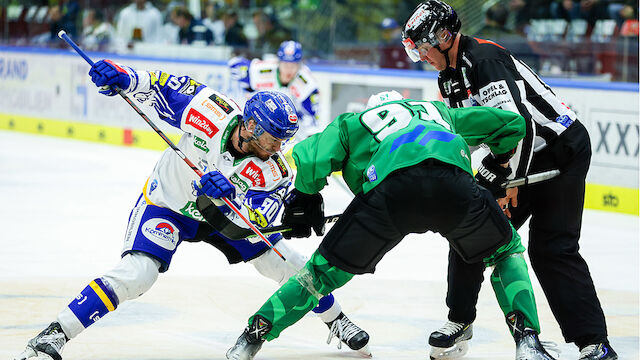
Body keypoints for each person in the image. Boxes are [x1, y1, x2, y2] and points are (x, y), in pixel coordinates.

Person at [13, 60, 369, 360]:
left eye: (283, 140)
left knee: (288, 264)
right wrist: (123, 77)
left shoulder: (274, 167)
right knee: (138, 274)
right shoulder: (208, 110)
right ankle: (55, 335)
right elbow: (158, 86)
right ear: (250, 126)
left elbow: (260, 219)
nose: (278, 146)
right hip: (169, 204)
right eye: (272, 138)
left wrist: (233, 198)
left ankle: (335, 318)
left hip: (224, 218)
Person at [225, 91, 558, 360]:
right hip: (453, 185)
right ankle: (527, 342)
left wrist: (306, 197)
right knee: (505, 251)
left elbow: (312, 156)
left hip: (390, 196)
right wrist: (499, 164)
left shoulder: (356, 122)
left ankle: (250, 340)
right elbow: (512, 124)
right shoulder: (440, 112)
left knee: (318, 276)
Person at [400, 1, 617, 359]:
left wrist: (508, 182)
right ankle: (460, 320)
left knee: (552, 250)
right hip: (516, 154)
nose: (422, 56)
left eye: (423, 47)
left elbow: (521, 128)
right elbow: (470, 136)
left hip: (559, 149)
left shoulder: (484, 61)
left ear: (443, 37)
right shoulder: (448, 77)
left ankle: (595, 344)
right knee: (468, 225)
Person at [228, 40, 320, 140]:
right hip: (261, 122)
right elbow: (234, 64)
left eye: (293, 65)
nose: (289, 70)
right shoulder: (263, 69)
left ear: (300, 64)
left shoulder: (307, 83)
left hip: (290, 132)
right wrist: (248, 88)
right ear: (278, 62)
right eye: (285, 64)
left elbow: (311, 121)